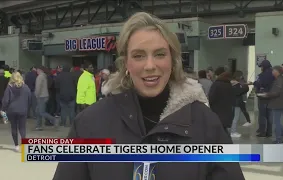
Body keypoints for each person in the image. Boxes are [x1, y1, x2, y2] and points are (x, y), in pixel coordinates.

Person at [53, 12, 244, 180]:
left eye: (160, 54)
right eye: (138, 56)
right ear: (126, 63)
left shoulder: (206, 124)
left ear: (173, 60)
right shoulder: (89, 124)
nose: (150, 65)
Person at [1, 72, 31, 151]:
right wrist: (27, 107)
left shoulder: (9, 87)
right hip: (23, 110)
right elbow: (29, 98)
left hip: (12, 110)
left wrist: (3, 109)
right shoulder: (26, 87)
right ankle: (24, 146)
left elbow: (6, 100)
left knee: (14, 127)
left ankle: (16, 146)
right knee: (22, 128)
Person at [258, 66, 283, 144]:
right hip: (276, 103)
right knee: (273, 120)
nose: (272, 72)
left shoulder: (280, 80)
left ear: (277, 72)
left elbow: (277, 92)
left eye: (273, 71)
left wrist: (266, 94)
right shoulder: (278, 79)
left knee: (276, 122)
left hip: (277, 103)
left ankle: (279, 139)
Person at [248, 60, 274, 137]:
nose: (261, 68)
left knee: (262, 115)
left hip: (262, 97)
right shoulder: (273, 74)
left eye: (261, 66)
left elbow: (258, 83)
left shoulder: (261, 75)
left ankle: (262, 132)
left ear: (264, 67)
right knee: (269, 115)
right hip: (271, 97)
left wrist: (253, 83)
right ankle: (269, 132)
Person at [208, 67, 236, 134]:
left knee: (218, 133)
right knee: (224, 132)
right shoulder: (229, 85)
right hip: (227, 112)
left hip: (217, 112)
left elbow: (211, 98)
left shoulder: (216, 84)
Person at [35, 66, 57, 130]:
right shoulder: (44, 76)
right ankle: (38, 126)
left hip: (41, 96)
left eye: (37, 69)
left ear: (40, 70)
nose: (37, 71)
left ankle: (54, 119)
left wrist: (36, 95)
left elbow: (38, 88)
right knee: (38, 111)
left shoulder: (39, 77)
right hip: (45, 96)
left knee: (41, 112)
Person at [230, 71, 249, 138]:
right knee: (235, 118)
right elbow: (239, 92)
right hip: (236, 103)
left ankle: (232, 131)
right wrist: (244, 87)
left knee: (233, 117)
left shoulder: (230, 83)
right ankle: (233, 132)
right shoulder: (237, 85)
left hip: (231, 102)